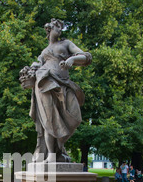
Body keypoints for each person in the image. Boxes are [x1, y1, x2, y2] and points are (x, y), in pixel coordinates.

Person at [19, 18, 92, 163]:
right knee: (49, 119)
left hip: (63, 84)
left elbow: (86, 57)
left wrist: (72, 60)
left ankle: (59, 145)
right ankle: (51, 155)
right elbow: (36, 66)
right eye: (57, 27)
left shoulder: (66, 43)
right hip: (45, 83)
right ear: (49, 29)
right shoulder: (44, 51)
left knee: (76, 117)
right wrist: (31, 69)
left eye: (61, 28)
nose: (60, 30)